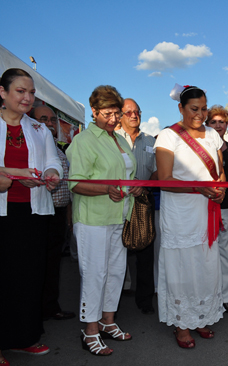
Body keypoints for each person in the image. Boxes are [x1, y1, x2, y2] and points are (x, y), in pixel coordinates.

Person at [67, 85, 142, 356]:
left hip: (119, 215)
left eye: (116, 114)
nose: (112, 119)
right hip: (92, 219)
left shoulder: (120, 140)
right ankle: (89, 331)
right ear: (95, 112)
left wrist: (134, 186)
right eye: (107, 114)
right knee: (94, 274)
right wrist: (105, 189)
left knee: (116, 271)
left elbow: (127, 173)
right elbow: (75, 183)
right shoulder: (84, 140)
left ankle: (108, 321)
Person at [155, 85, 226, 349]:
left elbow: (220, 173)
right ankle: (181, 323)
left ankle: (201, 317)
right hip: (180, 213)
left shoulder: (213, 136)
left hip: (207, 210)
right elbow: (164, 180)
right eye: (194, 109)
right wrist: (199, 187)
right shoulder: (168, 136)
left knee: (206, 266)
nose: (200, 114)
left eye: (204, 108)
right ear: (180, 108)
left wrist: (219, 191)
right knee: (182, 267)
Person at [0, 68, 62, 365]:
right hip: (2, 213)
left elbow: (52, 162)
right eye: (20, 91)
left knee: (27, 277)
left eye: (31, 92)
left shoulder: (38, 129)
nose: (27, 97)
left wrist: (51, 174)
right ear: (3, 93)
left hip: (32, 212)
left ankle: (24, 338)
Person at [31, 105, 75, 321]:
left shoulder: (58, 150)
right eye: (43, 119)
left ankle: (50, 307)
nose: (49, 123)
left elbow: (66, 185)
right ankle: (34, 311)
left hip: (57, 215)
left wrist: (68, 215)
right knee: (36, 265)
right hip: (37, 215)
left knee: (53, 264)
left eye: (52, 120)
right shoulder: (31, 148)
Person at [116, 98, 157, 315]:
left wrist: (145, 184)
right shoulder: (111, 139)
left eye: (137, 111)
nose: (134, 115)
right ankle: (113, 302)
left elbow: (159, 172)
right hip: (116, 202)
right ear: (120, 115)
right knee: (116, 253)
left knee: (145, 252)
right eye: (128, 112)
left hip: (142, 202)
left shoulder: (151, 141)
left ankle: (145, 300)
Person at [205, 104, 228, 313]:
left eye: (222, 122)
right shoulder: (201, 145)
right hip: (204, 206)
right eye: (213, 121)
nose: (218, 125)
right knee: (207, 253)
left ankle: (227, 296)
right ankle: (209, 297)